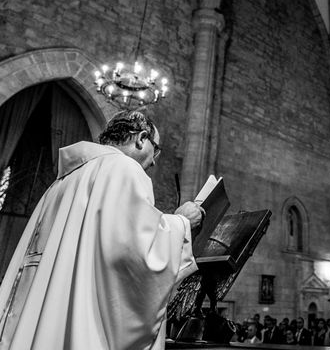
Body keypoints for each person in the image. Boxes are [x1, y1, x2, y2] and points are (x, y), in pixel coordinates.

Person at [0, 110, 204, 350]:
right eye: (156, 149)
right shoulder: (123, 168)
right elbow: (134, 253)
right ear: (141, 138)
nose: (155, 160)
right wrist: (181, 222)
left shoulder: (63, 181)